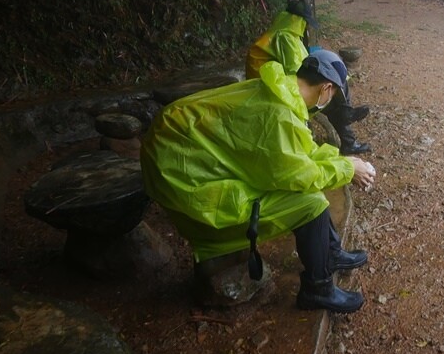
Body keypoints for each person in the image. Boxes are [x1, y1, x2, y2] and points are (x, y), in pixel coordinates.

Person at [140, 50, 375, 313]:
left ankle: (329, 253)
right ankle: (317, 290)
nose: (331, 101)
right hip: (187, 182)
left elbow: (300, 150)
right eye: (334, 96)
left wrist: (345, 161)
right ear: (327, 88)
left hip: (185, 160)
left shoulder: (279, 92)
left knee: (307, 195)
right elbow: (299, 175)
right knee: (310, 203)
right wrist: (346, 170)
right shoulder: (279, 113)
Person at [246, 0, 371, 155]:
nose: (305, 26)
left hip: (269, 81)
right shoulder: (286, 37)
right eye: (304, 22)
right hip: (270, 88)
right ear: (298, 20)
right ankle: (346, 119)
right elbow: (297, 69)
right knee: (329, 92)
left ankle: (346, 123)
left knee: (331, 87)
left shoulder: (281, 31)